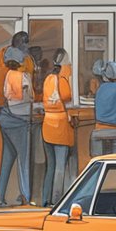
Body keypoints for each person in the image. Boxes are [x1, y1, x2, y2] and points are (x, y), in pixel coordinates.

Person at [0, 46, 35, 205]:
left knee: (7, 158)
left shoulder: (8, 75)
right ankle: (25, 195)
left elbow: (7, 95)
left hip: (6, 119)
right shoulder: (23, 76)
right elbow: (28, 98)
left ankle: (0, 196)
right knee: (24, 160)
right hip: (20, 120)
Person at [40, 49, 76, 206]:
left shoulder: (48, 79)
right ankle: (57, 200)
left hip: (47, 125)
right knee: (61, 166)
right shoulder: (61, 80)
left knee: (51, 166)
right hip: (60, 126)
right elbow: (68, 97)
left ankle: (45, 199)